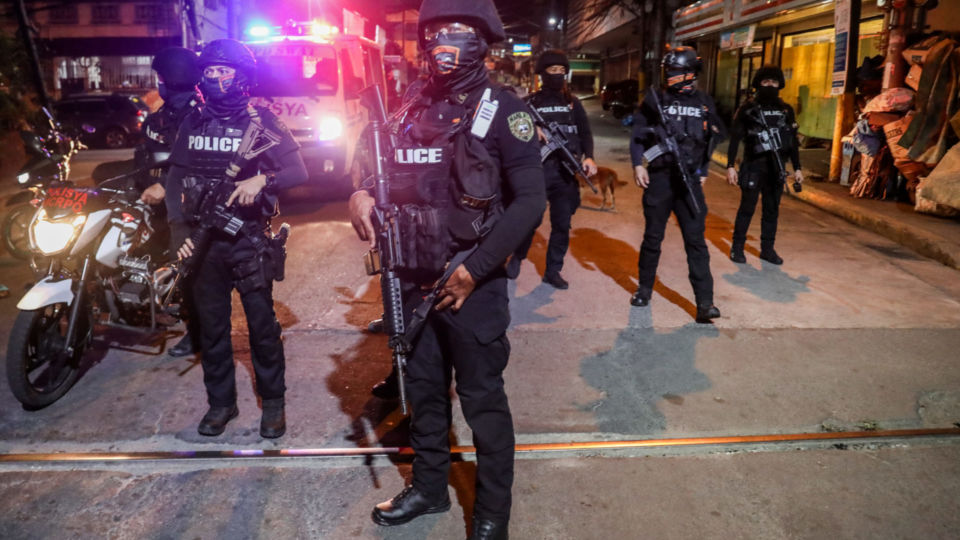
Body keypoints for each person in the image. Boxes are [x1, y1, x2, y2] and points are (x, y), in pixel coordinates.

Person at [348, 0, 545, 537]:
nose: (441, 42)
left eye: (455, 31)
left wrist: (475, 270)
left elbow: (530, 202)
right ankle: (431, 490)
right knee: (424, 393)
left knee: (483, 404)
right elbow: (383, 170)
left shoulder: (506, 109)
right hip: (411, 276)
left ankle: (490, 516)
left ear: (482, 40)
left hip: (470, 281)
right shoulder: (411, 105)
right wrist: (362, 193)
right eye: (433, 31)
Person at [164, 39, 308, 438]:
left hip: (246, 241)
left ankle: (273, 404)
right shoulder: (194, 121)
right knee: (212, 330)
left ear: (241, 77)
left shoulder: (261, 121)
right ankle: (221, 405)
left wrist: (263, 179)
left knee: (262, 328)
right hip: (203, 242)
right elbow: (175, 177)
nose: (215, 78)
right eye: (209, 71)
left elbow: (298, 172)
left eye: (223, 71)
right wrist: (178, 231)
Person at [629, 46, 724, 323]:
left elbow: (709, 140)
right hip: (660, 178)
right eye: (668, 72)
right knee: (652, 238)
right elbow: (638, 133)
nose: (670, 76)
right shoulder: (655, 99)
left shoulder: (705, 102)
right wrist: (638, 163)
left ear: (690, 73)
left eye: (676, 72)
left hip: (690, 181)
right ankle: (644, 289)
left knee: (696, 241)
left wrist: (704, 169)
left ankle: (705, 302)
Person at [507, 49, 597, 288]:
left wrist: (589, 157)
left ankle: (553, 270)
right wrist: (530, 129)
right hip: (538, 172)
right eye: (553, 70)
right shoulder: (530, 103)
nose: (558, 75)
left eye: (561, 71)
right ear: (543, 73)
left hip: (566, 172)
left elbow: (585, 132)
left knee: (562, 224)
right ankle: (517, 256)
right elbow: (514, 131)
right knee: (531, 219)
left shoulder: (572, 103)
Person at [137, 46, 204, 358]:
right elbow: (142, 158)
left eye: (161, 78)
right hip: (157, 203)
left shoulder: (202, 115)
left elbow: (200, 163)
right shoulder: (158, 119)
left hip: (192, 206)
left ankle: (197, 332)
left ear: (166, 81)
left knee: (189, 270)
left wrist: (164, 186)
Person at [726, 65, 803, 265]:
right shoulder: (748, 108)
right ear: (758, 84)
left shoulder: (786, 110)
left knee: (772, 210)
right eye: (766, 81)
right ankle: (737, 248)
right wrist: (730, 166)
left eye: (774, 82)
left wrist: (797, 168)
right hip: (753, 166)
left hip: (776, 168)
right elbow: (735, 138)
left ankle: (767, 250)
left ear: (780, 84)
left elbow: (792, 141)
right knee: (747, 209)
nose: (770, 85)